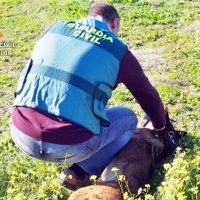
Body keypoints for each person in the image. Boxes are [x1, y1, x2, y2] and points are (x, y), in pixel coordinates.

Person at [10, 2, 166, 190]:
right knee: (128, 118)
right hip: (66, 146)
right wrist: (159, 124)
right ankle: (78, 172)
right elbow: (148, 96)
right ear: (115, 23)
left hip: (21, 135)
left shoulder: (53, 30)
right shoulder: (116, 50)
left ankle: (74, 171)